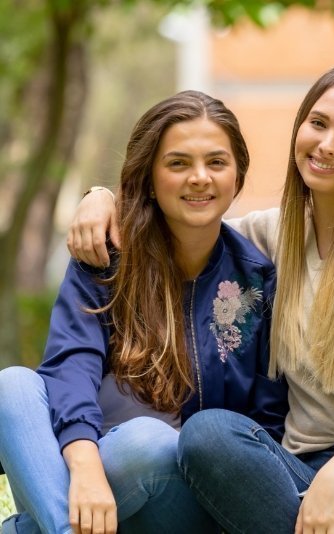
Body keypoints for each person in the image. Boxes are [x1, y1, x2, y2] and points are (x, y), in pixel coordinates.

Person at [65, 60, 334, 533]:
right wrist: (103, 197)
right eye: (318, 123)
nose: (327, 144)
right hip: (304, 479)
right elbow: (183, 223)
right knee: (211, 434)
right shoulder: (277, 234)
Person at [0, 90, 289, 534]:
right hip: (86, 481)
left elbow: (265, 421)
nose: (199, 178)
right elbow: (70, 363)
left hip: (185, 493)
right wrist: (85, 464)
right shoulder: (107, 255)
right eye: (177, 164)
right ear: (150, 177)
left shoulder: (255, 282)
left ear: (238, 174)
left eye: (216, 162)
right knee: (11, 386)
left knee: (147, 441)